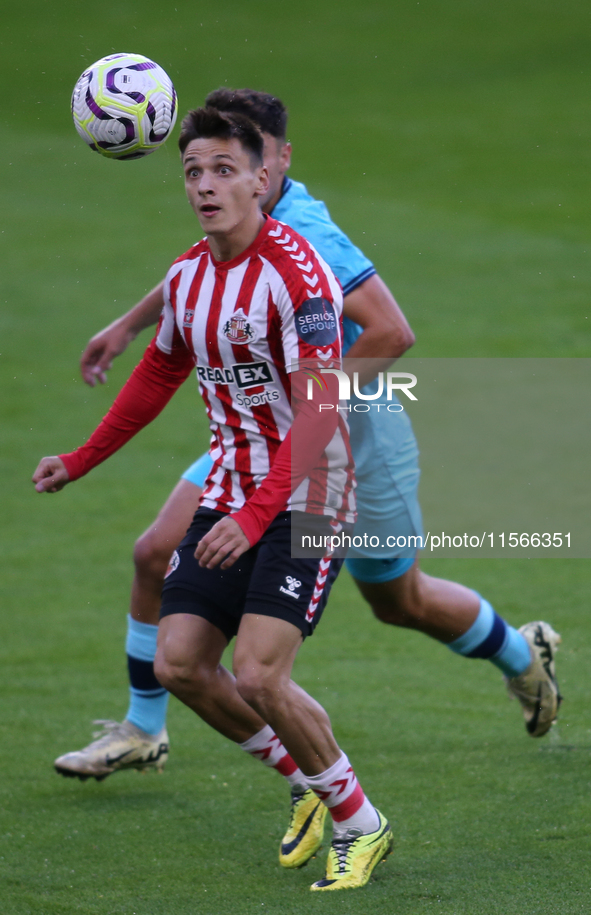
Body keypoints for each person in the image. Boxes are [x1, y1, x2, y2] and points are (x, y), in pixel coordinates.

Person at [52, 89, 561, 783]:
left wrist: (304, 409)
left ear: (274, 161)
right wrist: (133, 322)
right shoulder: (235, 211)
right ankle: (144, 726)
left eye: (237, 162)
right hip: (260, 432)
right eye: (207, 167)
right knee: (154, 551)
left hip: (352, 438)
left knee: (398, 600)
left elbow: (391, 332)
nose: (221, 180)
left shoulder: (308, 235)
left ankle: (521, 654)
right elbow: (199, 269)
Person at [33, 107, 395, 891]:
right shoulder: (189, 275)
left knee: (260, 673)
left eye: (223, 169)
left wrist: (257, 513)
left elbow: (320, 408)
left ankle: (361, 824)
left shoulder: (299, 274)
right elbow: (159, 373)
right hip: (233, 491)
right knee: (181, 664)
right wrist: (82, 458)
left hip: (307, 491)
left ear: (262, 177)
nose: (204, 185)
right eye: (192, 170)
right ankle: (308, 779)